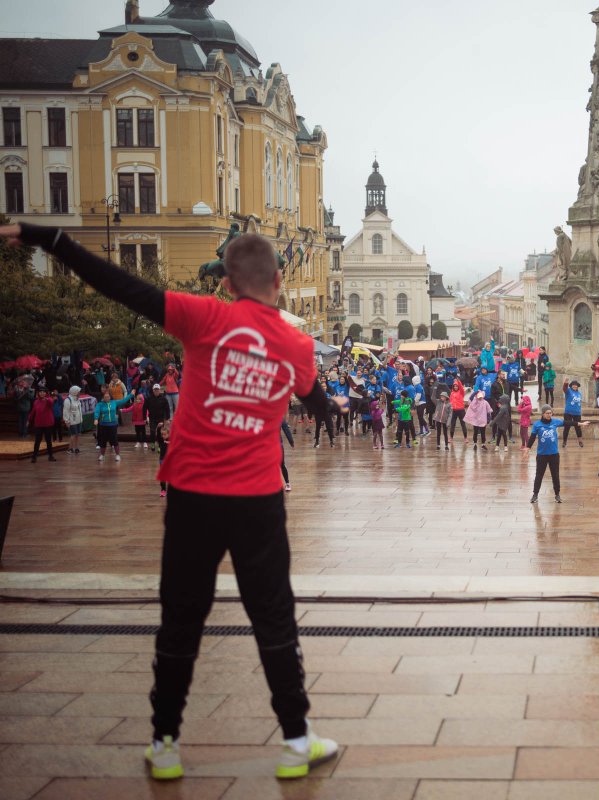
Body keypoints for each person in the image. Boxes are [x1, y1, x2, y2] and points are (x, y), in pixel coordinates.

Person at [2, 221, 346, 780]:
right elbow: (312, 393)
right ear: (279, 281)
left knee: (182, 616)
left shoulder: (202, 317)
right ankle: (296, 741)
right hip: (258, 499)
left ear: (229, 282)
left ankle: (164, 744)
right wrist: (327, 409)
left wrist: (53, 239)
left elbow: (120, 286)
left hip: (191, 493)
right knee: (273, 618)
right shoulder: (297, 344)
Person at [525, 404, 564, 503]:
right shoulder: (537, 424)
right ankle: (535, 495)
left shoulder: (555, 422)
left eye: (550, 413)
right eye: (547, 413)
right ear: (543, 414)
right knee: (539, 475)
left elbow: (567, 422)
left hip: (554, 454)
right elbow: (532, 437)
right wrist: (528, 448)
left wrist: (579, 424)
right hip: (542, 455)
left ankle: (557, 495)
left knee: (555, 475)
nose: (549, 415)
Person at [94, 387, 135, 462]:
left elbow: (123, 401)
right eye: (105, 397)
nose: (107, 398)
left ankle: (117, 455)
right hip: (103, 425)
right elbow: (97, 411)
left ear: (110, 397)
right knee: (103, 441)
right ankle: (102, 455)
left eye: (108, 397)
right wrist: (96, 419)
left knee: (114, 440)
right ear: (103, 398)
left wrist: (131, 395)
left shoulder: (114, 402)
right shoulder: (100, 404)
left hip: (112, 425)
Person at [28, 388, 57, 463]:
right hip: (38, 424)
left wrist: (47, 398)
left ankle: (51, 456)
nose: (42, 393)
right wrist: (29, 419)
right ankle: (34, 457)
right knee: (37, 441)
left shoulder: (48, 400)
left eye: (43, 392)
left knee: (48, 441)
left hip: (48, 424)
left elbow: (51, 402)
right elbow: (33, 411)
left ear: (46, 393)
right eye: (40, 392)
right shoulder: (36, 402)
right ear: (38, 393)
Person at [63, 385, 84, 455]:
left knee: (78, 434)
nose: (79, 393)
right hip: (72, 421)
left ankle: (76, 448)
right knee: (73, 435)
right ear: (74, 392)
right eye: (78, 392)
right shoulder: (67, 400)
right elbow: (65, 411)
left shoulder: (77, 399)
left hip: (78, 420)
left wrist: (81, 419)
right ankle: (70, 448)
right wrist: (66, 421)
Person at [563, 380, 585, 447]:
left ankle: (580, 441)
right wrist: (566, 383)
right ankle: (564, 442)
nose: (575, 386)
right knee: (567, 427)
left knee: (578, 428)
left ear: (578, 386)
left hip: (577, 413)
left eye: (576, 385)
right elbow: (564, 389)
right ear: (571, 385)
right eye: (573, 384)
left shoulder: (579, 394)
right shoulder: (568, 391)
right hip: (568, 413)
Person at [279, 420, 295, 491]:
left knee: (282, 464)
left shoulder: (278, 416)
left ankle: (287, 483)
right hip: (266, 445)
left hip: (277, 444)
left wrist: (291, 441)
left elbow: (286, 429)